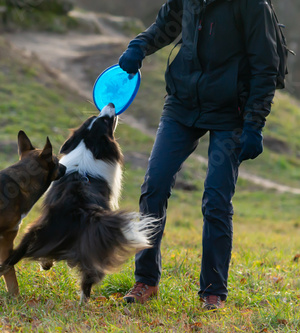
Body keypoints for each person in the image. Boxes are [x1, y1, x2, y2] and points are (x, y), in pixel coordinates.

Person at [118, 0, 279, 310]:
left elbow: (266, 66)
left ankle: (213, 291)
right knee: (154, 185)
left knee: (216, 199)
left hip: (231, 111)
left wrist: (254, 124)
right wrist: (139, 47)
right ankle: (146, 281)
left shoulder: (252, 6)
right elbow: (164, 27)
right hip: (182, 103)